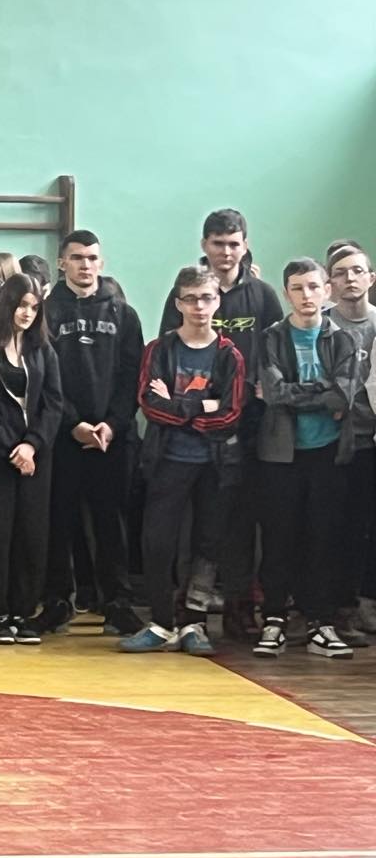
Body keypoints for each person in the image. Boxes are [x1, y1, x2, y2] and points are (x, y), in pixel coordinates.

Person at [158, 207, 282, 638]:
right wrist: (194, 406)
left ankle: (240, 605)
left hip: (246, 427)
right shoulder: (187, 291)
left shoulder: (262, 295)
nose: (226, 252)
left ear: (245, 246)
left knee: (241, 521)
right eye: (218, 243)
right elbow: (167, 355)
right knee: (193, 523)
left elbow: (274, 352)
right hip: (190, 429)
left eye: (233, 244)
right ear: (204, 245)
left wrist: (255, 393)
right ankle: (187, 605)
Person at [124, 265, 246, 655]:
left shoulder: (229, 355)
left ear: (217, 302)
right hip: (167, 460)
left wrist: (179, 405)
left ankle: (195, 622)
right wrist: (201, 405)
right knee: (157, 542)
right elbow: (150, 405)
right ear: (178, 304)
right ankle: (161, 622)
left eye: (206, 298)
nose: (199, 306)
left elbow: (230, 412)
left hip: (214, 464)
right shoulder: (159, 350)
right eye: (191, 299)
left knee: (207, 544)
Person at [253, 258, 358, 659]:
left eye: (314, 286)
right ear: (286, 294)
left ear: (327, 290)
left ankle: (320, 623)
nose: (306, 295)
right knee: (279, 538)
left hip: (328, 453)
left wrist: (298, 393)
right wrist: (318, 393)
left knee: (323, 539)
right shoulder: (271, 337)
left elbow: (343, 395)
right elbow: (273, 392)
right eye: (297, 288)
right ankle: (274, 619)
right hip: (281, 455)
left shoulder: (344, 340)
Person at [44, 230, 145, 634]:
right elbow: (45, 377)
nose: (85, 265)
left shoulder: (124, 314)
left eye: (91, 258)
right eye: (77, 258)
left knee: (112, 523)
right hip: (63, 435)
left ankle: (117, 602)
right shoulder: (46, 312)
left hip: (112, 438)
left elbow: (132, 376)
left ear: (101, 263)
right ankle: (57, 601)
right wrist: (73, 424)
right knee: (59, 521)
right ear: (61, 263)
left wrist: (113, 424)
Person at [0, 273, 63, 644]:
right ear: (6, 303)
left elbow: (54, 403)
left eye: (34, 307)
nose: (27, 313)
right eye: (22, 305)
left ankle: (23, 612)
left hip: (35, 457)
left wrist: (32, 445)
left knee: (32, 534)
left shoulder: (43, 349)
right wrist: (11, 447)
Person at [325, 244, 376, 638]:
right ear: (330, 283)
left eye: (357, 270)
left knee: (366, 527)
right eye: (341, 272)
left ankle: (365, 603)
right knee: (331, 527)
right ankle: (331, 608)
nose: (350, 279)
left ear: (371, 278)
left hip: (370, 442)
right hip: (329, 442)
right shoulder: (321, 325)